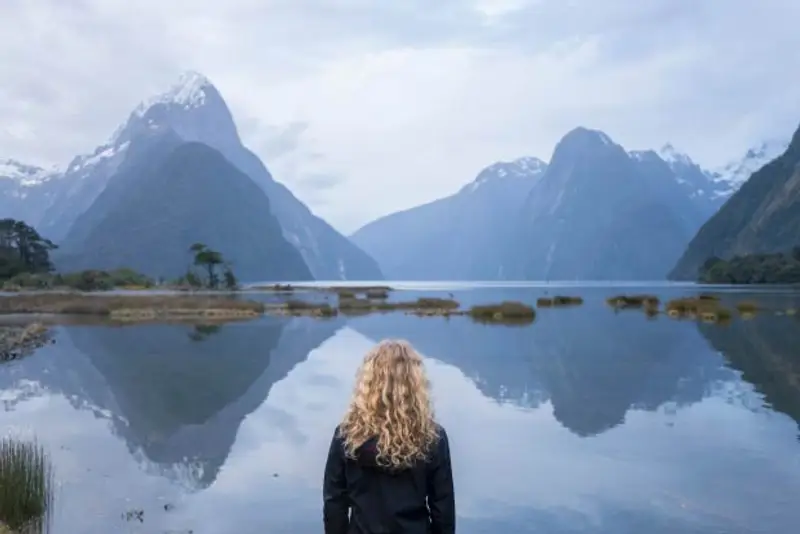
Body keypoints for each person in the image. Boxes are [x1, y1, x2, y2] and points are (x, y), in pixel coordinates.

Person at [323, 339, 456, 534]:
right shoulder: (433, 437)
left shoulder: (347, 435)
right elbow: (442, 510)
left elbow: (334, 504)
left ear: (368, 382)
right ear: (414, 383)